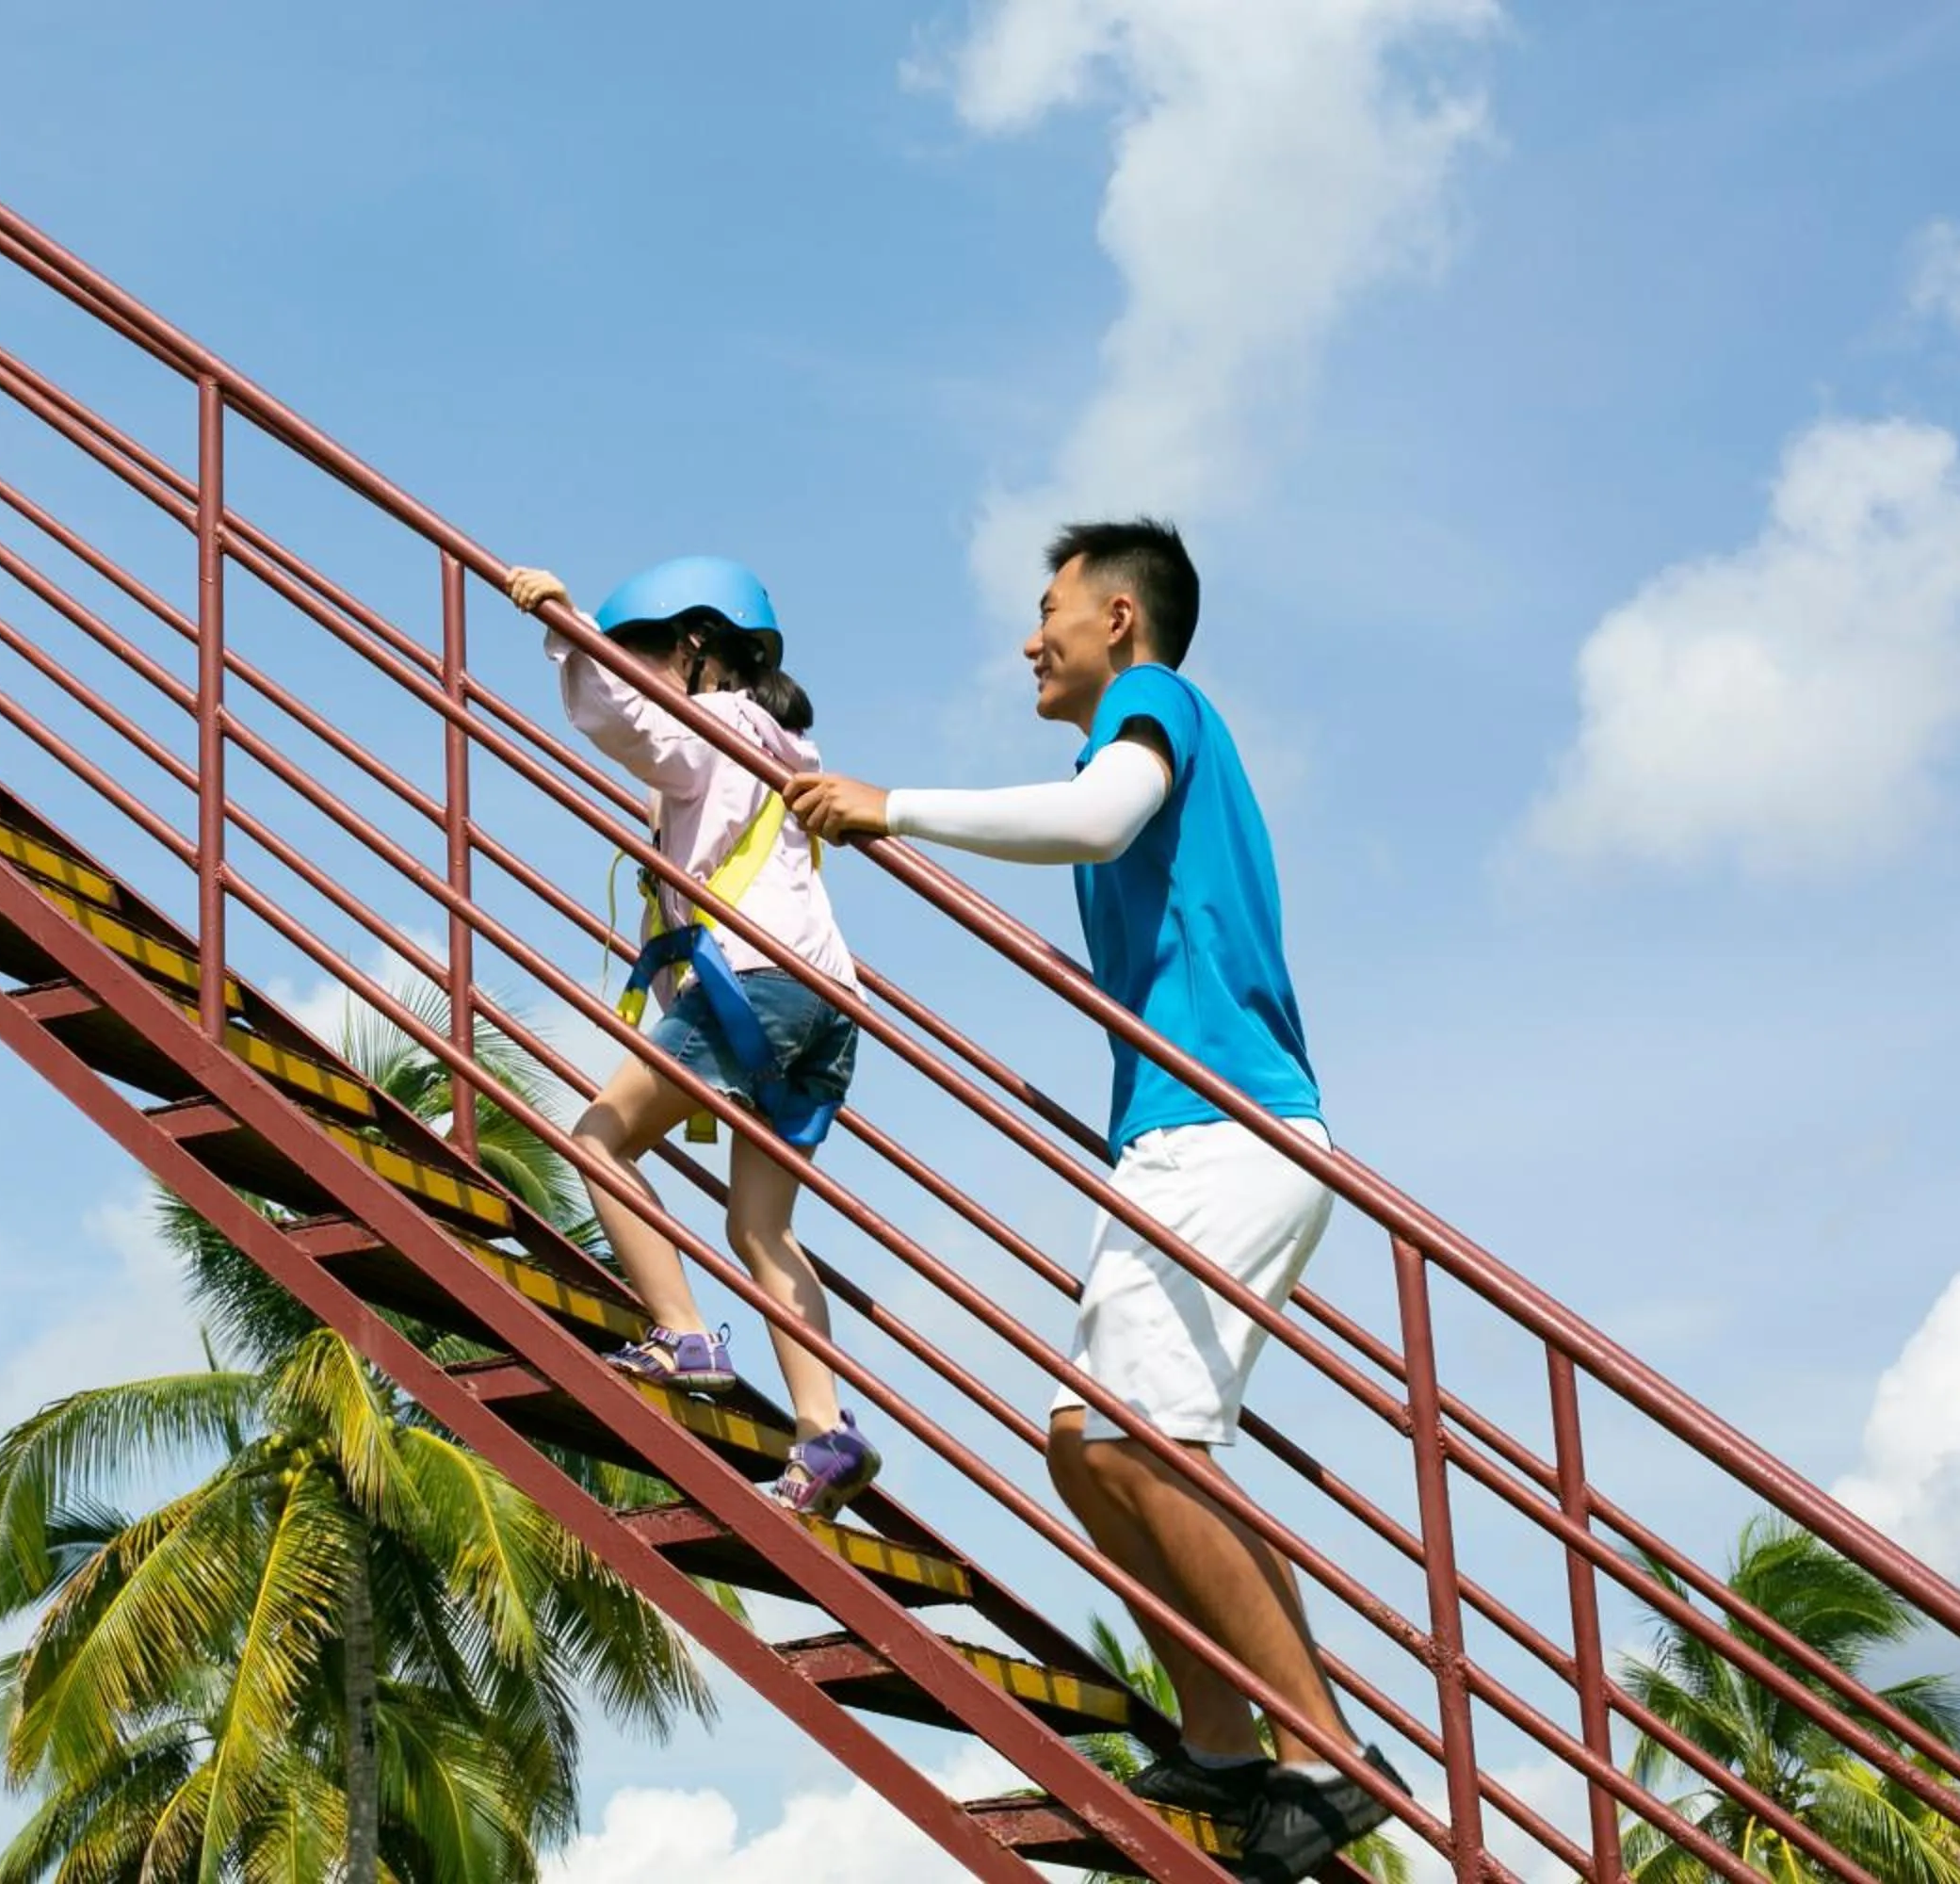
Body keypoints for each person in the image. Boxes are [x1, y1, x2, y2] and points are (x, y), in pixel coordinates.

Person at [787, 519, 1401, 1882]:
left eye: (1049, 607)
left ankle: (1328, 1757)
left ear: (1118, 620)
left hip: (1224, 1127)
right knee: (1083, 1441)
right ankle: (1226, 1738)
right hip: (1182, 1137)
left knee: (1142, 1440)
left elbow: (1097, 821)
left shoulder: (1155, 702)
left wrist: (895, 807)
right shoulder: (1138, 722)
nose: (1030, 636)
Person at [504, 556, 881, 1519]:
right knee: (759, 1225)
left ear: (698, 649)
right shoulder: (779, 747)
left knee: (598, 1135)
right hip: (822, 999)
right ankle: (824, 1427)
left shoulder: (714, 728)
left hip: (753, 986)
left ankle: (681, 1331)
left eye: (643, 653)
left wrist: (567, 623)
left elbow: (624, 721)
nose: (629, 671)